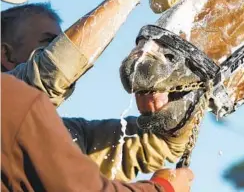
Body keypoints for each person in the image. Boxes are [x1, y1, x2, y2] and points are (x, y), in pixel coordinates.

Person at [1, 0, 203, 181]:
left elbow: (157, 143)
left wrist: (166, 112)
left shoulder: (68, 137)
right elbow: (48, 75)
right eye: (48, 44)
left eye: (60, 43)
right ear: (6, 54)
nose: (60, 50)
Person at [1, 73, 194, 192]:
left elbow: (144, 144)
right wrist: (164, 189)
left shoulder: (65, 130)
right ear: (5, 52)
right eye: (49, 42)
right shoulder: (17, 102)